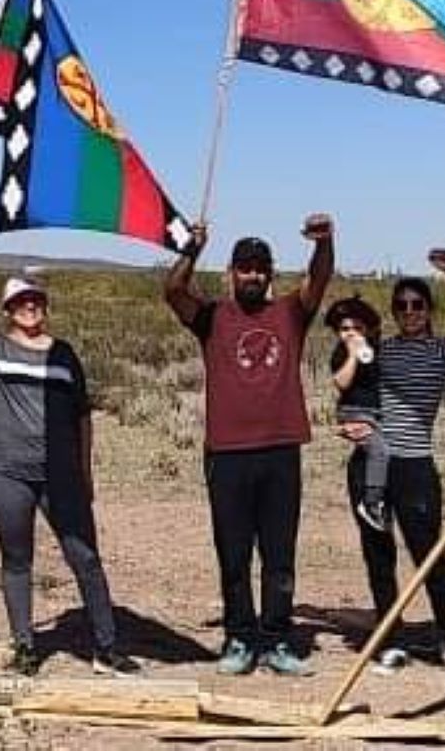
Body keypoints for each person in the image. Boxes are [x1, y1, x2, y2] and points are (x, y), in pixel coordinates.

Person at [0, 256, 138, 678]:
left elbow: (83, 415)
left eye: (35, 300)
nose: (29, 307)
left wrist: (85, 471)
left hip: (61, 472)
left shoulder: (64, 354)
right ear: (7, 310)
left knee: (85, 557)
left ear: (45, 305)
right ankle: (25, 648)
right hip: (6, 471)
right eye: (20, 301)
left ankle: (107, 647)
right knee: (17, 560)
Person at [163, 215, 334, 677]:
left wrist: (324, 243)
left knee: (279, 554)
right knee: (234, 552)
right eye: (245, 268)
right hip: (228, 452)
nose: (253, 275)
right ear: (231, 273)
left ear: (270, 275)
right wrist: (191, 250)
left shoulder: (289, 315)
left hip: (280, 448)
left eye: (261, 268)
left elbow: (319, 280)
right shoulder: (214, 317)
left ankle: (277, 638)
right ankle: (239, 637)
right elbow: (173, 291)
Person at [353, 249, 445, 673]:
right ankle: (388, 641)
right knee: (379, 555)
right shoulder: (381, 350)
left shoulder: (443, 351)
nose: (409, 312)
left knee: (428, 553)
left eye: (417, 305)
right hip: (372, 462)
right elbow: (352, 390)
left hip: (414, 464)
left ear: (428, 309)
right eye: (401, 306)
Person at [326, 297, 387, 532]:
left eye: (357, 328)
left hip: (376, 413)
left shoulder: (376, 350)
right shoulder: (341, 354)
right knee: (379, 449)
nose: (351, 334)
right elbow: (341, 383)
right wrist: (351, 354)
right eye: (344, 329)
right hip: (354, 412)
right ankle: (372, 502)